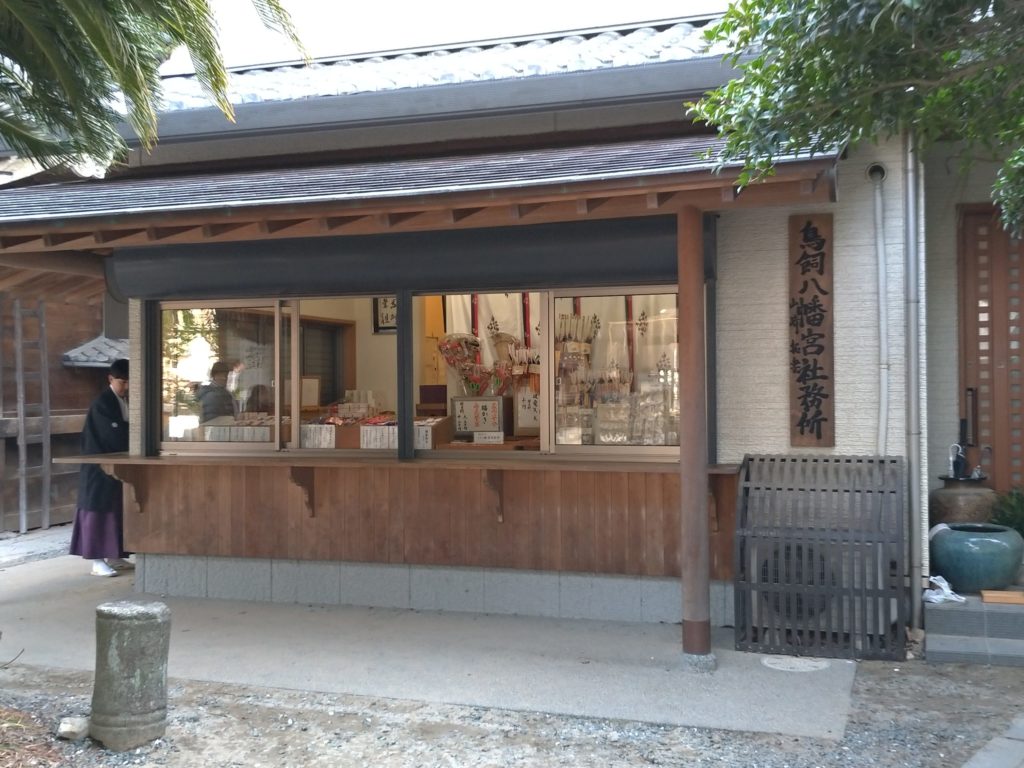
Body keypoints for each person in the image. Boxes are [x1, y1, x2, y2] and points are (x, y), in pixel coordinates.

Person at [69, 359, 132, 577]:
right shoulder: (103, 403)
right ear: (110, 379)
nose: (126, 387)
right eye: (122, 382)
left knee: (115, 510)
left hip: (116, 464)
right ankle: (96, 560)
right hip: (98, 466)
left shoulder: (123, 401)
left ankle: (115, 555)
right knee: (97, 511)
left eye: (129, 382)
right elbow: (112, 434)